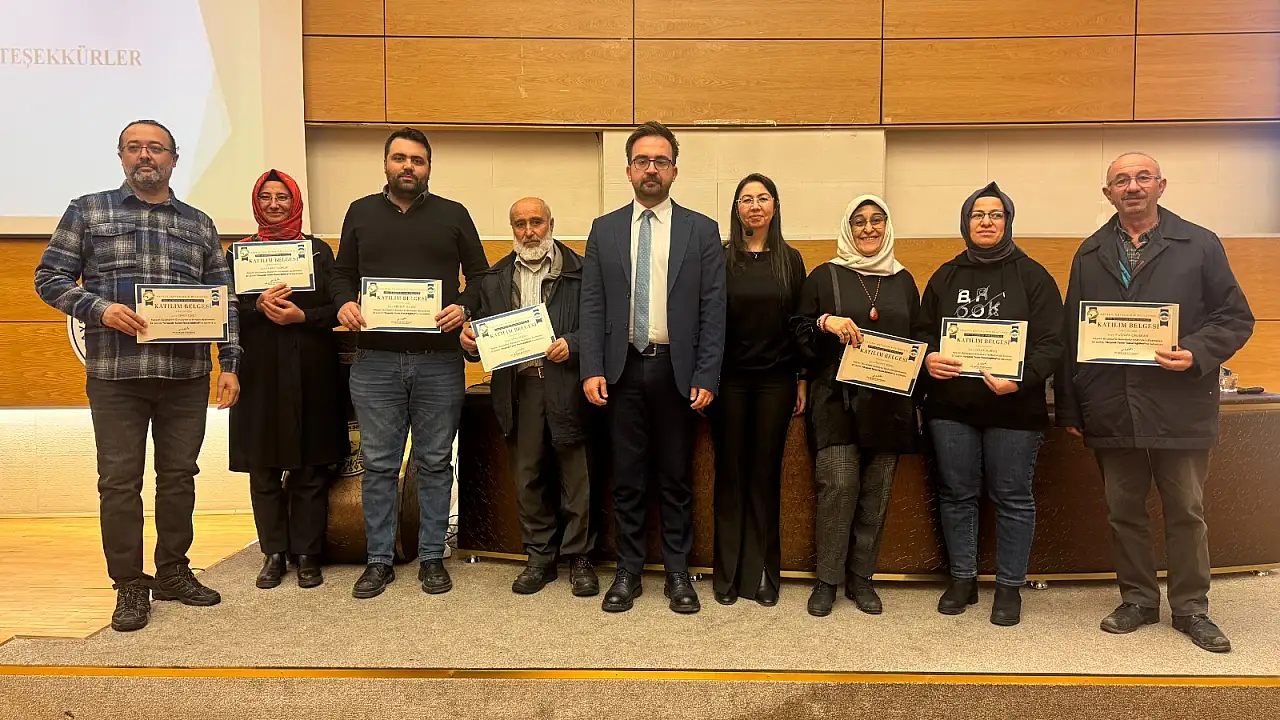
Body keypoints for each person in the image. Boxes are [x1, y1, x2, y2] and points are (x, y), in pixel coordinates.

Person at [34, 119, 241, 632]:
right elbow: (49, 277)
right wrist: (99, 309)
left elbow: (224, 300)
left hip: (185, 375)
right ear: (122, 156)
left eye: (155, 148)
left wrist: (230, 364)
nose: (145, 155)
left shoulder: (199, 224)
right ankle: (129, 583)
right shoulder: (88, 210)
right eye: (134, 147)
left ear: (174, 158)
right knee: (119, 483)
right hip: (116, 375)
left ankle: (173, 570)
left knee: (179, 478)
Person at [1057, 153, 1254, 652]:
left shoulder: (1200, 243)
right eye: (1121, 180)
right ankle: (1139, 601)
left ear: (1161, 185)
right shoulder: (1089, 252)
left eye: (1142, 177)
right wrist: (1072, 407)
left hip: (1179, 402)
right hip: (1110, 403)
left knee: (1186, 510)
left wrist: (1196, 352)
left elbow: (1235, 317)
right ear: (1108, 193)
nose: (1133, 186)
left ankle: (1191, 608)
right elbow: (1072, 335)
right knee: (1123, 511)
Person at [331, 127, 489, 599]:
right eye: (399, 158)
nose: (408, 167)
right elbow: (341, 274)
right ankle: (379, 560)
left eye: (417, 160)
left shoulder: (453, 214)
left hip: (439, 362)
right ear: (385, 163)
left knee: (435, 462)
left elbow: (481, 275)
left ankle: (432, 557)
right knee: (379, 464)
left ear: (428, 168)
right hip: (375, 362)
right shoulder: (360, 212)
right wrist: (343, 303)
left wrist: (464, 306)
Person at [579, 121, 726, 614]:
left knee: (676, 477)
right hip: (619, 371)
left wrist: (706, 374)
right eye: (642, 160)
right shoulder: (603, 230)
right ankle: (628, 571)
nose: (651, 169)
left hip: (676, 372)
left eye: (661, 161)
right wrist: (591, 367)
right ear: (628, 170)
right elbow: (592, 305)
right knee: (626, 477)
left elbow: (713, 310)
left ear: (674, 171)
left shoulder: (701, 230)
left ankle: (678, 573)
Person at [914, 182, 1064, 627]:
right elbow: (922, 332)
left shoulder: (1033, 276)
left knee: (1013, 496)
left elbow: (1052, 343)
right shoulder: (945, 276)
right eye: (977, 215)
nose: (986, 222)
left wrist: (1021, 378)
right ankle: (962, 579)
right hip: (952, 408)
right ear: (965, 223)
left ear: (1008, 222)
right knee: (956, 494)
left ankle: (1009, 586)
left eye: (995, 215)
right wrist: (928, 357)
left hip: (1014, 409)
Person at [460, 197, 599, 597]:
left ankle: (580, 557)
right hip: (519, 389)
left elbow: (600, 326)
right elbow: (482, 333)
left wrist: (573, 343)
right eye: (520, 224)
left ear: (551, 223)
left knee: (577, 477)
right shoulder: (495, 277)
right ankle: (540, 557)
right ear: (512, 230)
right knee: (528, 477)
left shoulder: (580, 271)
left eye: (536, 222)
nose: (529, 231)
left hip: (568, 384)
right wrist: (470, 343)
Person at [793, 195, 919, 617]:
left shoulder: (903, 281)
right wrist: (823, 322)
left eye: (876, 220)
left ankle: (862, 578)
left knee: (876, 494)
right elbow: (796, 331)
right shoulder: (824, 275)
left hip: (889, 405)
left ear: (887, 226)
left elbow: (919, 338)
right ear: (848, 228)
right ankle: (828, 580)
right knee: (839, 487)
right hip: (836, 402)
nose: (868, 228)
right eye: (859, 221)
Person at [226, 169, 347, 590]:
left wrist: (302, 316)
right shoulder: (238, 254)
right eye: (266, 197)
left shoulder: (317, 252)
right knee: (263, 467)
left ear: (295, 202)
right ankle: (274, 553)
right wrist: (256, 305)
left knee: (311, 466)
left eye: (282, 197)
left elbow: (338, 308)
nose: (274, 204)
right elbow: (224, 311)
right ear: (256, 203)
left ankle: (308, 553)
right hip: (258, 371)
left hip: (312, 369)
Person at [710, 174, 805, 607]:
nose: (754, 205)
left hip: (775, 382)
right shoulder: (719, 257)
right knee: (730, 474)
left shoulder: (791, 260)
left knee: (765, 476)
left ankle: (764, 572)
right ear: (736, 209)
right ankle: (728, 573)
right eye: (746, 199)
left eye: (762, 198)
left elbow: (800, 324)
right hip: (728, 380)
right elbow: (706, 320)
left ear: (775, 206)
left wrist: (802, 377)